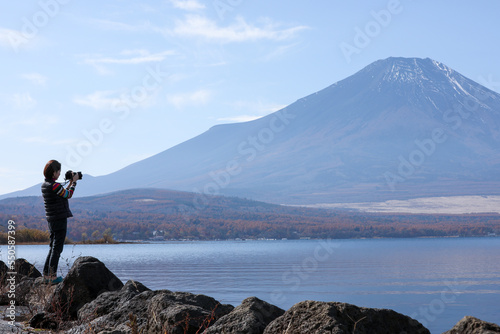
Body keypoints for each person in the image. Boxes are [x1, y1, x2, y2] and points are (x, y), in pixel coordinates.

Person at [41, 160, 79, 284]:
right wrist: (74, 183)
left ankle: (46, 275)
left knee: (52, 247)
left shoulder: (46, 185)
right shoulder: (55, 186)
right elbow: (68, 195)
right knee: (57, 248)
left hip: (51, 220)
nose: (59, 174)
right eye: (58, 172)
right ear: (54, 173)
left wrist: (69, 183)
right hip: (59, 219)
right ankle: (52, 277)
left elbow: (61, 194)